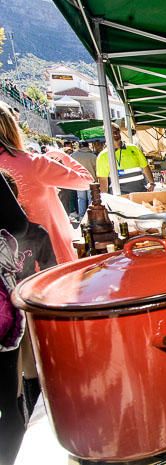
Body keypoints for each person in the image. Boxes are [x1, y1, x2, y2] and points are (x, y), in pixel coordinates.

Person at [0, 169, 56, 465]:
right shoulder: (35, 233)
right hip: (22, 319)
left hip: (11, 321)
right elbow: (51, 277)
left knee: (15, 395)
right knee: (27, 388)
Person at [0, 101, 93, 263]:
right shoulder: (33, 163)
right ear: (12, 127)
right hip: (53, 255)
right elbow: (87, 181)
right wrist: (63, 156)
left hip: (11, 263)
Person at [96, 123, 155, 194]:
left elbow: (145, 166)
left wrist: (151, 183)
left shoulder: (133, 148)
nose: (116, 134)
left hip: (140, 193)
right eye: (113, 132)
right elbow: (103, 180)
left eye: (117, 131)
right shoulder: (103, 156)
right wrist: (104, 198)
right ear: (106, 134)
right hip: (120, 198)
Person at [72, 140, 97, 217]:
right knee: (91, 199)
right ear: (88, 146)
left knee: (81, 199)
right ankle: (91, 216)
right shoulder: (93, 156)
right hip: (91, 181)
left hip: (79, 180)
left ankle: (82, 216)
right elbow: (97, 169)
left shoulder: (73, 155)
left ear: (79, 146)